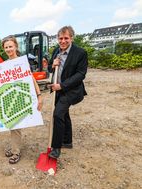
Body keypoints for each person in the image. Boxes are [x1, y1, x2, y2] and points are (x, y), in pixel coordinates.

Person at [1, 36, 43, 164]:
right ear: (4, 49)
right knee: (13, 125)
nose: (9, 49)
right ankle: (15, 147)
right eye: (6, 47)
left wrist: (39, 95)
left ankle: (16, 152)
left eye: (10, 46)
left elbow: (32, 79)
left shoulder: (22, 62)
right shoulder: (4, 65)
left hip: (21, 95)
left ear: (15, 47)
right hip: (11, 97)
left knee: (16, 125)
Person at [48, 26, 88, 159]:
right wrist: (52, 65)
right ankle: (67, 141)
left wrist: (62, 86)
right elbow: (49, 68)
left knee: (58, 114)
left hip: (71, 90)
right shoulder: (55, 51)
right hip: (57, 90)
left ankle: (56, 147)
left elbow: (80, 74)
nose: (63, 41)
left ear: (71, 38)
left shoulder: (80, 53)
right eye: (60, 38)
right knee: (64, 114)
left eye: (66, 38)